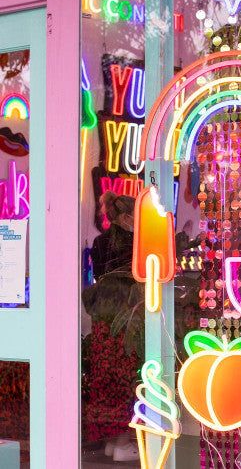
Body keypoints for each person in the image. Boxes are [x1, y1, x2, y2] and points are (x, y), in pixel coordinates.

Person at [82, 191, 143, 462]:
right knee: (124, 376)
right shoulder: (132, 242)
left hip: (102, 316)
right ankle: (122, 440)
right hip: (124, 317)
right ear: (128, 216)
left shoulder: (99, 241)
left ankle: (110, 441)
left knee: (105, 377)